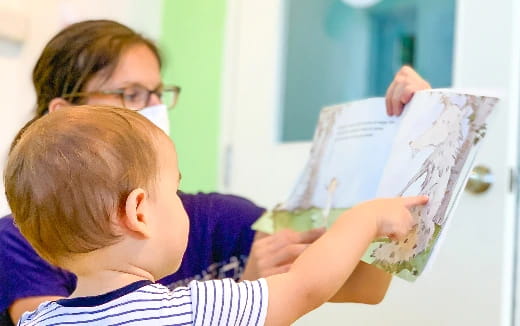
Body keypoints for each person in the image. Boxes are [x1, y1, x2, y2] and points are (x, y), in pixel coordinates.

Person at [0, 19, 432, 324]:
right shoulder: (16, 239)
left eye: (157, 92)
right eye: (130, 93)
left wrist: (403, 149)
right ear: (65, 114)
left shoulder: (221, 216)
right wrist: (367, 217)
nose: (151, 108)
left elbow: (365, 287)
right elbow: (306, 286)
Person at [5, 105, 428, 326]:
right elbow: (305, 286)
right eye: (174, 190)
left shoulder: (43, 320)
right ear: (138, 213)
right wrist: (366, 219)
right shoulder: (190, 310)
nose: (182, 200)